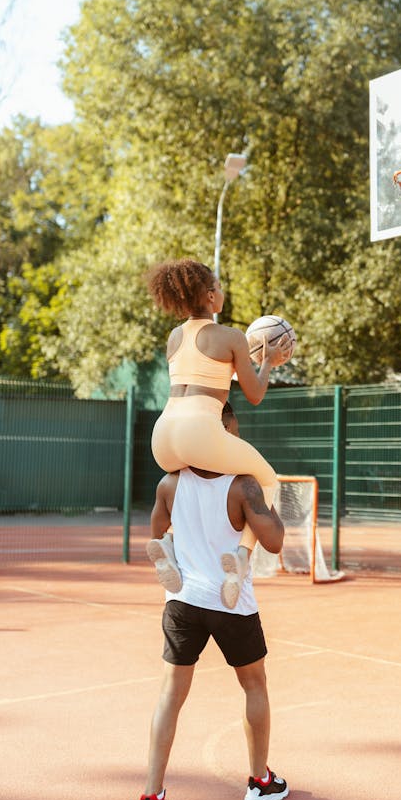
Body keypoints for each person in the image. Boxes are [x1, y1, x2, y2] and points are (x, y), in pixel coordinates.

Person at [136, 403, 289, 800]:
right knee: (254, 684)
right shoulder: (244, 485)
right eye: (233, 430)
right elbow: (274, 542)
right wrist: (266, 500)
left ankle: (151, 798)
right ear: (220, 433)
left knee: (170, 694)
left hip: (183, 599)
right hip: (230, 602)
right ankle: (260, 782)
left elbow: (155, 529)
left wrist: (171, 546)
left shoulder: (170, 482)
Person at [145, 258, 292, 608]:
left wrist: (249, 361)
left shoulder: (174, 337)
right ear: (211, 297)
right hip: (199, 430)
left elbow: (208, 375)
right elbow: (254, 394)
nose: (222, 293)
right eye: (220, 288)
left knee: (185, 478)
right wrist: (267, 361)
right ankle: (241, 556)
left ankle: (168, 541)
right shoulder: (232, 337)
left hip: (163, 435)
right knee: (268, 478)